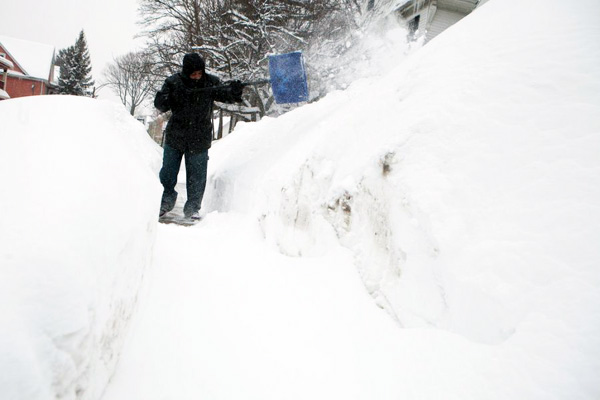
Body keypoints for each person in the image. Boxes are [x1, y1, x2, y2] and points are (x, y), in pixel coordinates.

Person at [154, 53, 244, 220]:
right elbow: (161, 105)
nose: (196, 77)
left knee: (197, 177)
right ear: (185, 72)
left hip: (199, 137)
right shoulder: (173, 83)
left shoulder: (210, 82)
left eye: (199, 73)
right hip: (176, 136)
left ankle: (193, 208)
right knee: (167, 173)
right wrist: (166, 97)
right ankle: (165, 202)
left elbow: (226, 95)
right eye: (193, 74)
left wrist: (234, 91)